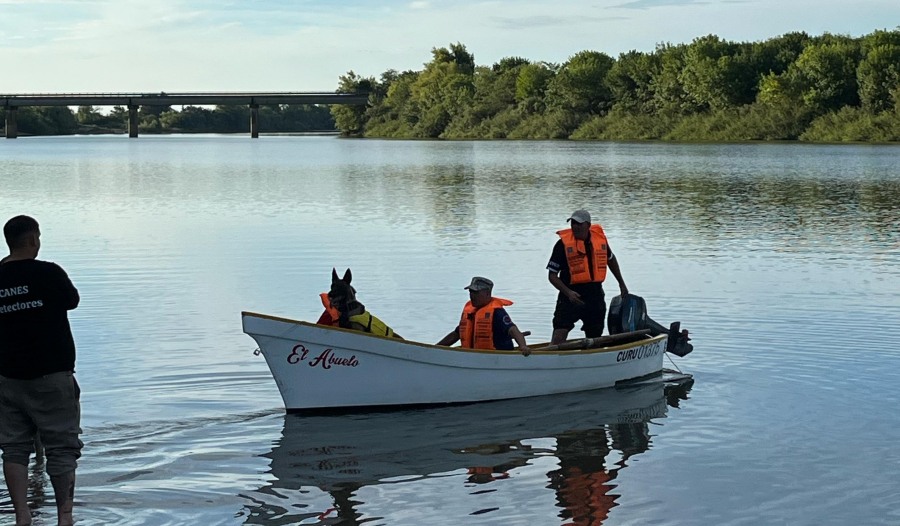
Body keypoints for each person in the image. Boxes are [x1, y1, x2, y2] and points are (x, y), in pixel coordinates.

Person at [0, 215, 83, 526]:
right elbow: (72, 301)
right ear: (33, 239)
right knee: (62, 447)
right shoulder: (48, 272)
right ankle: (65, 517)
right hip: (52, 375)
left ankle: (22, 516)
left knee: (14, 449)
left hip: (8, 378)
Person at [547, 209, 628, 344]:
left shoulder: (599, 242)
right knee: (560, 331)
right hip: (570, 295)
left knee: (594, 336)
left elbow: (611, 259)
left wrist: (621, 283)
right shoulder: (562, 245)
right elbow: (552, 276)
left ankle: (591, 360)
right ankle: (551, 360)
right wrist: (568, 293)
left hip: (594, 295)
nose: (575, 227)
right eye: (573, 223)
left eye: (579, 224)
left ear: (588, 225)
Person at [436, 277, 531, 356]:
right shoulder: (471, 311)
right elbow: (456, 334)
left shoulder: (497, 312)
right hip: (475, 357)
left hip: (497, 357)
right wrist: (436, 348)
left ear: (487, 293)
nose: (472, 296)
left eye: (476, 292)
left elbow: (513, 329)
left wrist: (523, 346)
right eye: (470, 292)